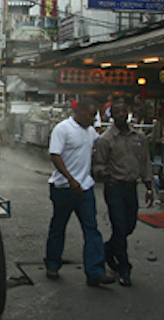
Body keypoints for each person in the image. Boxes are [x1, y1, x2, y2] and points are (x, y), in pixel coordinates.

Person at [44, 97, 115, 286]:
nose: (93, 119)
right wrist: (70, 179)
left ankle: (95, 272)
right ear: (80, 111)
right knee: (58, 227)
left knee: (91, 229)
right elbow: (55, 155)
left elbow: (97, 147)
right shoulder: (63, 129)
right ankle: (52, 263)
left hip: (85, 188)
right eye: (91, 115)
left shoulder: (90, 131)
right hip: (63, 188)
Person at [92, 100, 153, 287]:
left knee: (129, 226)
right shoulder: (106, 140)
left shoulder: (139, 137)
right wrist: (102, 172)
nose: (120, 115)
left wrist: (149, 187)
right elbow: (98, 164)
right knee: (119, 226)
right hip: (114, 187)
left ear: (128, 113)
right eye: (116, 112)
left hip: (131, 187)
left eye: (123, 111)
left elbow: (145, 163)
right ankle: (124, 268)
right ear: (112, 114)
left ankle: (107, 250)